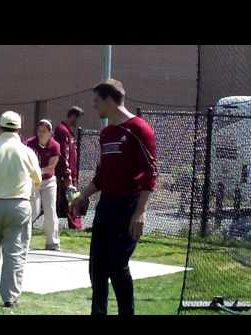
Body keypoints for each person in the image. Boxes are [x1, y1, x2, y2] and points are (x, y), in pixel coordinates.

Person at [71, 79, 157, 316]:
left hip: (128, 207)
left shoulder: (140, 129)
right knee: (97, 267)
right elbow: (102, 177)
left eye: (97, 101)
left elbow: (151, 174)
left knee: (117, 267)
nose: (94, 106)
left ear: (109, 100)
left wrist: (140, 212)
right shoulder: (106, 133)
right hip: (106, 206)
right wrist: (81, 196)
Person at [0, 111, 42, 308]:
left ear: (0, 127)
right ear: (19, 129)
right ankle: (10, 296)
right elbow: (38, 178)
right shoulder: (27, 152)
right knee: (16, 251)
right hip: (18, 205)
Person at [24, 119, 61, 251]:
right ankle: (24, 241)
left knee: (50, 211)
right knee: (33, 211)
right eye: (39, 131)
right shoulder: (29, 144)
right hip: (33, 181)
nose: (41, 134)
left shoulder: (55, 145)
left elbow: (51, 167)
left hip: (48, 182)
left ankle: (52, 242)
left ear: (50, 133)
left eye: (44, 131)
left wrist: (38, 170)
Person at [54, 106, 84, 230]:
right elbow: (63, 155)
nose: (78, 122)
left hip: (72, 174)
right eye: (78, 118)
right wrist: (67, 175)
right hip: (66, 175)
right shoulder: (62, 131)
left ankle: (76, 226)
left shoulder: (68, 132)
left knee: (72, 199)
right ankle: (75, 226)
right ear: (73, 116)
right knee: (71, 199)